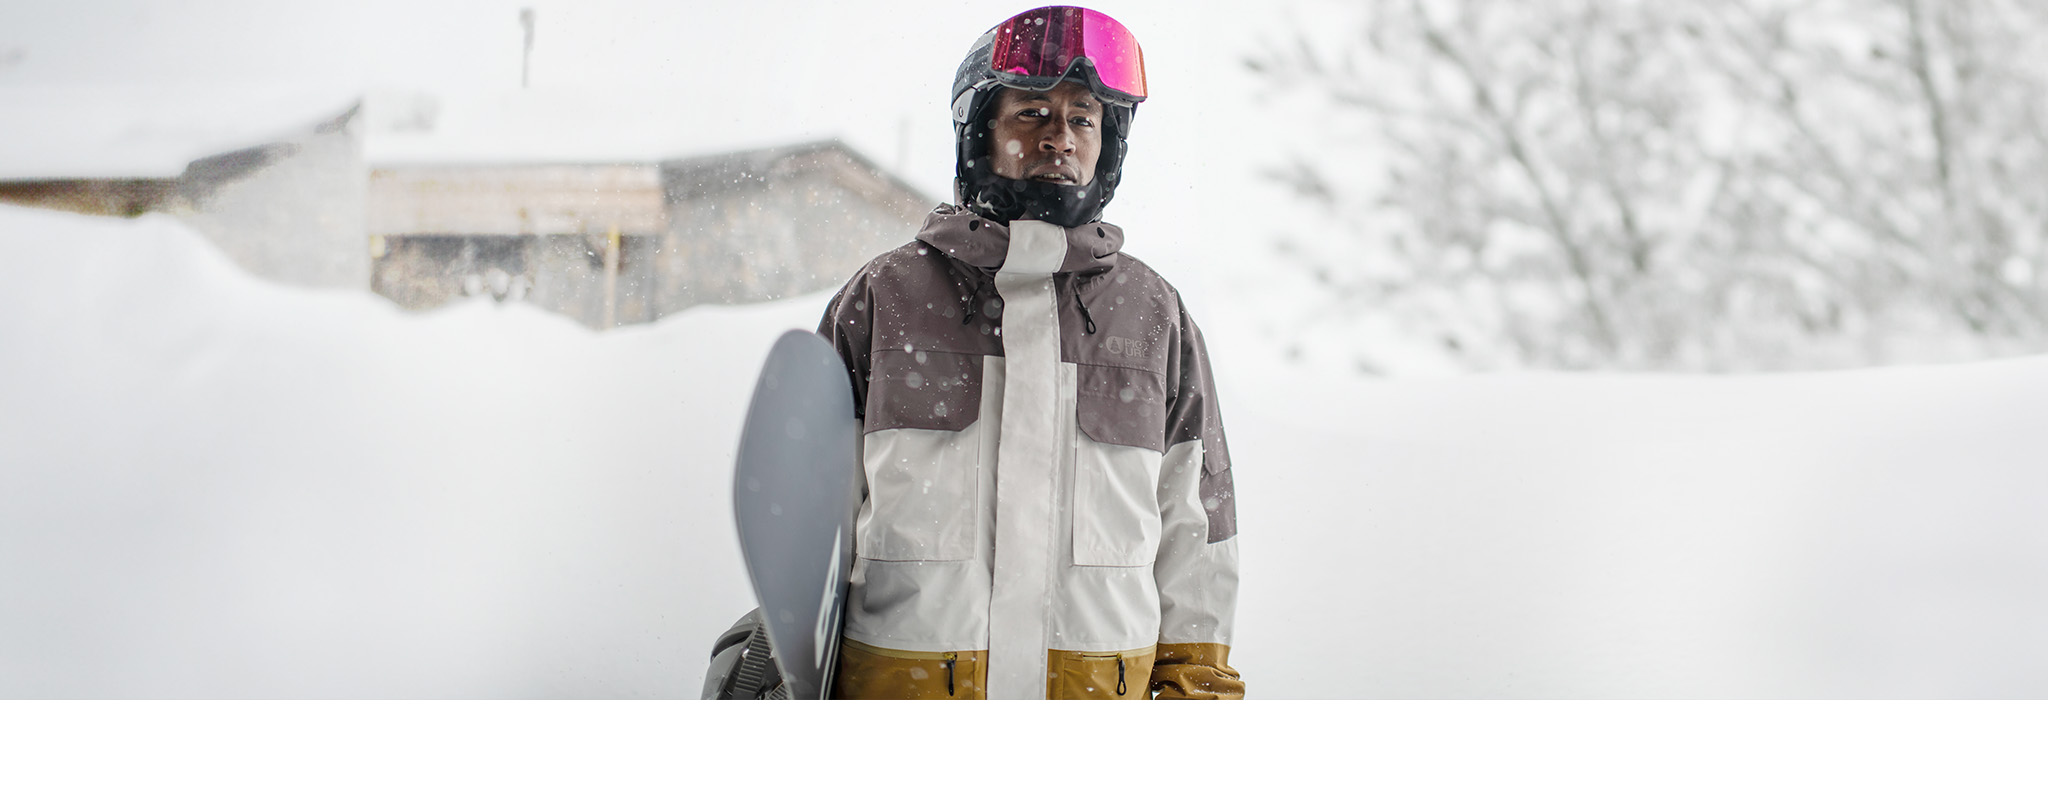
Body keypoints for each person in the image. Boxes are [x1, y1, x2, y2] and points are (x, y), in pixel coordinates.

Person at [816, 5, 1241, 700]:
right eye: (1031, 115)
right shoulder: (886, 298)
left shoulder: (1152, 315)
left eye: (1082, 119)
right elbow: (809, 522)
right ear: (978, 133)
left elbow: (1199, 533)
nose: (1059, 139)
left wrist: (1198, 694)